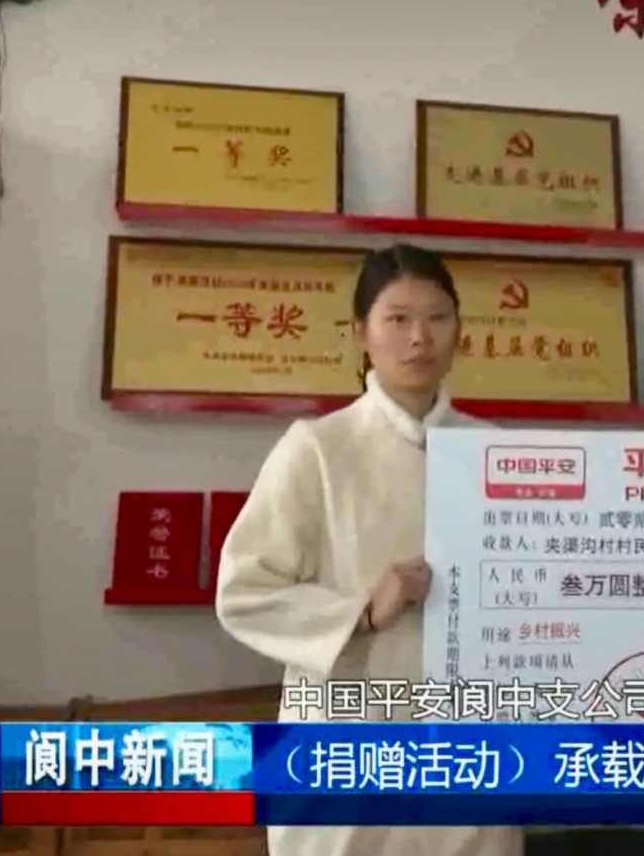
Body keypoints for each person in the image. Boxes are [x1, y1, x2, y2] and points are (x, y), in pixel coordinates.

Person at [216, 243, 522, 856]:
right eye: (398, 319)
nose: (419, 338)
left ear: (459, 331)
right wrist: (360, 611)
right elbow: (244, 591)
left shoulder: (496, 451)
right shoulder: (318, 447)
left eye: (437, 318)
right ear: (361, 333)